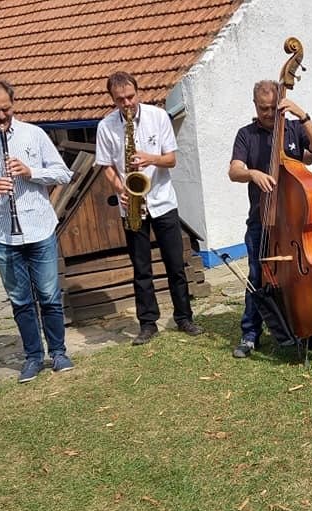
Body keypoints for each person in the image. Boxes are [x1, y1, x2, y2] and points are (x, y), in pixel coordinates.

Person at [0, 79, 75, 383]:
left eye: (6, 109)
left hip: (39, 228)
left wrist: (32, 172)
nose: (1, 116)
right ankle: (33, 357)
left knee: (49, 295)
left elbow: (64, 172)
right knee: (20, 299)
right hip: (3, 233)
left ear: (14, 103)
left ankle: (59, 353)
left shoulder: (33, 135)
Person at [95, 71, 202, 346]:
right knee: (141, 268)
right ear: (113, 100)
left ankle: (184, 317)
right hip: (131, 203)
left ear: (137, 92)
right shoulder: (106, 127)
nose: (127, 103)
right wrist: (119, 188)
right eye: (120, 100)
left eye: (130, 97)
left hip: (163, 200)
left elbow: (171, 160)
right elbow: (106, 165)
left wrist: (149, 158)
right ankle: (147, 323)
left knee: (175, 264)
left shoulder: (158, 116)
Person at [227, 80, 312, 358]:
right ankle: (250, 333)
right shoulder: (246, 134)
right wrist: (253, 174)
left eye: (273, 108)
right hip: (262, 220)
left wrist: (302, 115)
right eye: (263, 109)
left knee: (297, 276)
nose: (269, 114)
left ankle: (297, 325)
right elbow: (234, 170)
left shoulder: (294, 128)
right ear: (255, 105)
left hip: (295, 223)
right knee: (257, 277)